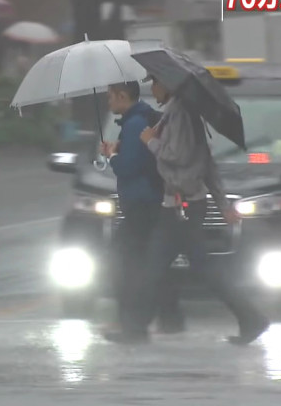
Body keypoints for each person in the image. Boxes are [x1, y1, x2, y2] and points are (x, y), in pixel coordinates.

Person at [103, 75, 270, 346]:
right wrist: (222, 203)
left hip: (182, 205)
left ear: (168, 85)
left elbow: (177, 157)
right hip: (184, 204)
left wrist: (150, 142)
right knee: (179, 268)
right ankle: (249, 318)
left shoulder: (180, 115)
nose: (152, 89)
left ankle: (135, 329)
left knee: (156, 268)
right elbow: (208, 164)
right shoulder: (180, 114)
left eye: (155, 83)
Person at [100, 81, 186, 335]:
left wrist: (112, 155)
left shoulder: (135, 124)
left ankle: (129, 321)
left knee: (122, 261)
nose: (109, 102)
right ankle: (171, 318)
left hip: (141, 203)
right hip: (149, 202)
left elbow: (128, 167)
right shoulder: (140, 119)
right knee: (152, 262)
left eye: (110, 97)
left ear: (122, 96)